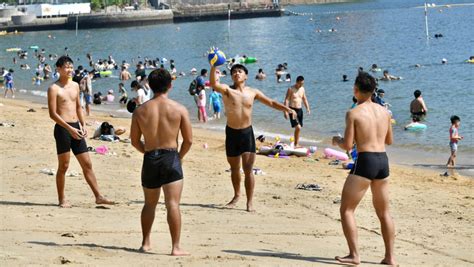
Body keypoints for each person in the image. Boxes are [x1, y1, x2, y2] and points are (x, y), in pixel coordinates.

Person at [210, 63, 296, 212]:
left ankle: (249, 202)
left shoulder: (253, 92)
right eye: (234, 72)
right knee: (234, 168)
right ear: (231, 76)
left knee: (248, 169)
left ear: (246, 76)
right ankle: (236, 195)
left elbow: (271, 102)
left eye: (240, 71)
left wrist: (287, 108)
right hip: (231, 133)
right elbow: (213, 83)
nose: (237, 73)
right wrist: (214, 66)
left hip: (246, 133)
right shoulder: (227, 90)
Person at [331, 71, 395, 265]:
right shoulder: (385, 111)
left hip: (366, 160)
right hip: (383, 161)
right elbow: (389, 140)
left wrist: (337, 141)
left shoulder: (353, 113)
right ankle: (390, 258)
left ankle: (354, 255)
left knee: (347, 210)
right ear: (374, 90)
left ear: (356, 90)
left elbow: (348, 146)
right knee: (384, 213)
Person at [130, 68, 192, 256]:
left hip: (150, 157)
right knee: (172, 204)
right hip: (171, 156)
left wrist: (147, 152)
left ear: (150, 85)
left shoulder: (140, 111)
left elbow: (134, 141)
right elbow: (188, 141)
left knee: (149, 204)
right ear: (170, 85)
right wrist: (178, 157)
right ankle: (176, 247)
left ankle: (146, 243)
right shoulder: (179, 109)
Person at [47, 56, 114, 208]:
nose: (69, 69)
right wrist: (69, 128)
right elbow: (52, 114)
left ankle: (98, 196)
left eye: (71, 67)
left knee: (87, 164)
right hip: (63, 129)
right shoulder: (54, 88)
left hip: (76, 127)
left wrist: (83, 124)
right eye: (66, 67)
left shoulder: (76, 85)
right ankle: (62, 199)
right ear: (58, 69)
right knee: (63, 166)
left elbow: (78, 107)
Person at [283, 76, 311, 147]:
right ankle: (296, 144)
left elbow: (304, 99)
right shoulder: (291, 89)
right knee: (298, 127)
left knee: (299, 128)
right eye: (300, 84)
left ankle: (296, 143)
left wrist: (307, 108)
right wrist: (285, 111)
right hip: (292, 110)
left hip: (300, 110)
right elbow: (287, 100)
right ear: (297, 82)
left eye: (303, 84)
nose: (302, 85)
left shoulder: (302, 89)